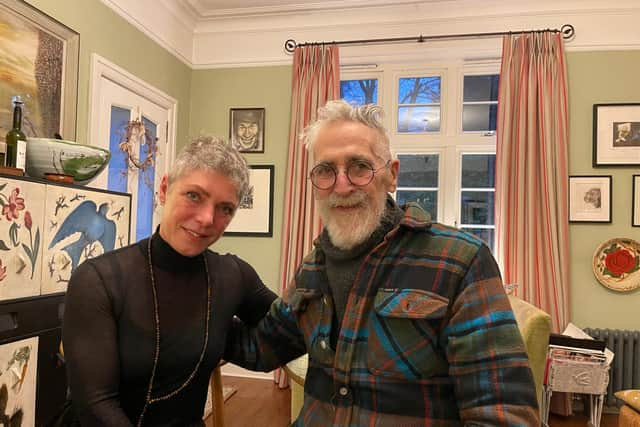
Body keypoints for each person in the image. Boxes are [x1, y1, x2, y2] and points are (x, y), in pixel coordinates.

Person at [226, 100, 540, 425]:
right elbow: (260, 348)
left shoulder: (460, 261)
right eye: (325, 170)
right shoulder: (313, 266)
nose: (342, 185)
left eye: (359, 167)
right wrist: (204, 293)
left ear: (391, 175)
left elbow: (504, 414)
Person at [62, 136, 277, 426]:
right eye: (194, 196)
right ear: (165, 189)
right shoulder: (98, 280)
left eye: (225, 208)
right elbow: (95, 406)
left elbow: (290, 327)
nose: (206, 218)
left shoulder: (232, 275)